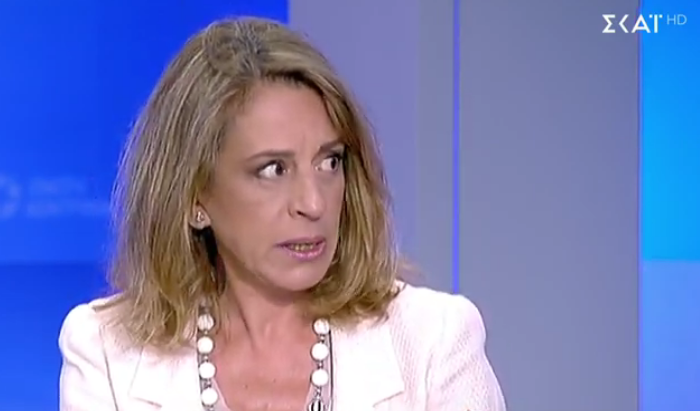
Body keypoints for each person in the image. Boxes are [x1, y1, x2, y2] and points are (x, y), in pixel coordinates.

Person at [58, 17, 506, 411]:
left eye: (330, 162)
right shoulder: (107, 353)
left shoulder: (433, 342)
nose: (313, 203)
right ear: (195, 198)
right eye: (273, 169)